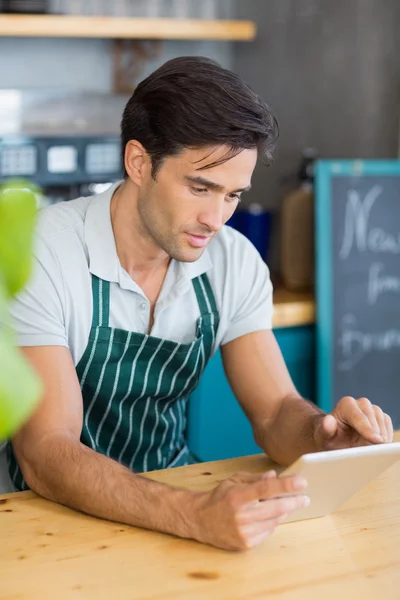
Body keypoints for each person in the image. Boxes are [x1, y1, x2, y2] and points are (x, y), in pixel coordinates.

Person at [7, 57, 393, 552]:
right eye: (200, 188)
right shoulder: (44, 251)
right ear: (139, 163)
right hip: (43, 518)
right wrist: (190, 514)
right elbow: (47, 449)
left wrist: (324, 439)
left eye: (233, 195)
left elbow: (276, 412)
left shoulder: (234, 262)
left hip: (173, 494)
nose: (216, 219)